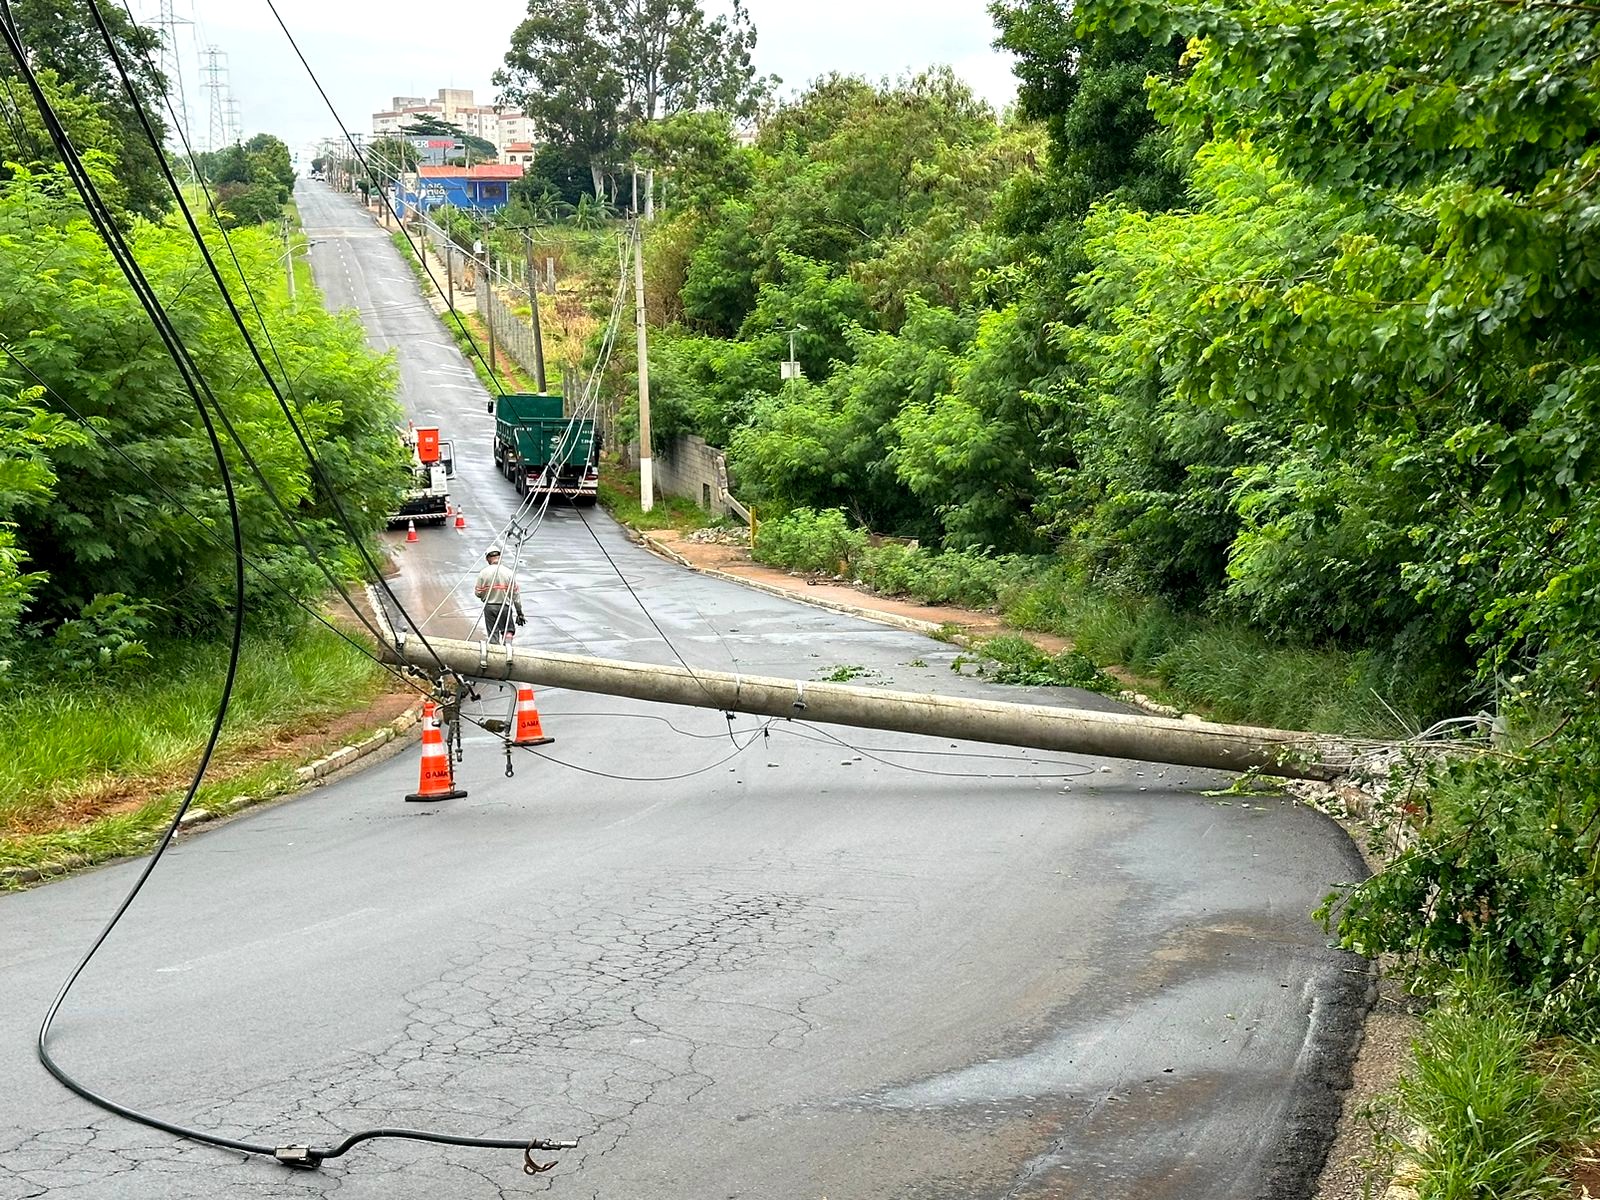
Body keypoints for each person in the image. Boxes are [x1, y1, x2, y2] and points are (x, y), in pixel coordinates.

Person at [473, 547, 525, 643]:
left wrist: (487, 593)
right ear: (500, 557)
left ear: (488, 558)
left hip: (489, 607)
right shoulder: (509, 572)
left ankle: (495, 653)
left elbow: (478, 593)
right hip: (505, 607)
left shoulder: (483, 573)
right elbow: (515, 595)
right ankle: (507, 650)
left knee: (493, 634)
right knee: (508, 630)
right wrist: (519, 613)